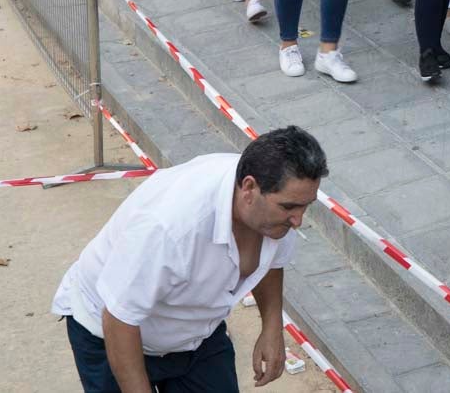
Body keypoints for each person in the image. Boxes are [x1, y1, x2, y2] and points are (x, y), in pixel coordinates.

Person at [52, 126, 325, 393]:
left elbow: (272, 263)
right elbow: (119, 318)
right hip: (110, 335)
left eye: (305, 206)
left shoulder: (278, 211)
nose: (298, 220)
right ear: (249, 188)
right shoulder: (170, 228)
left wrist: (272, 326)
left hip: (197, 335)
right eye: (290, 207)